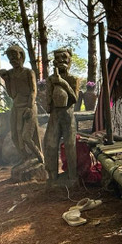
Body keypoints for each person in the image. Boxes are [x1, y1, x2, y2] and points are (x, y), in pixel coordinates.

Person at [0, 45, 44, 165]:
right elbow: (11, 94)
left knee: (26, 136)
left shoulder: (28, 72)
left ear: (21, 56)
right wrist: (7, 80)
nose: (12, 59)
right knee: (15, 136)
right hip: (16, 107)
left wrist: (30, 107)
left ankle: (39, 156)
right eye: (10, 57)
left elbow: (33, 91)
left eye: (15, 56)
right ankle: (24, 157)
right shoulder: (10, 74)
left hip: (28, 106)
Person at [43, 47, 79, 182]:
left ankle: (72, 176)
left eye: (64, 58)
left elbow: (74, 99)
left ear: (69, 61)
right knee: (51, 144)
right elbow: (48, 100)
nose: (60, 61)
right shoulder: (50, 79)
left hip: (68, 116)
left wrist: (62, 83)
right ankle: (52, 177)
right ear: (54, 62)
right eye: (57, 58)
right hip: (54, 116)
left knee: (70, 146)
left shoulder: (72, 79)